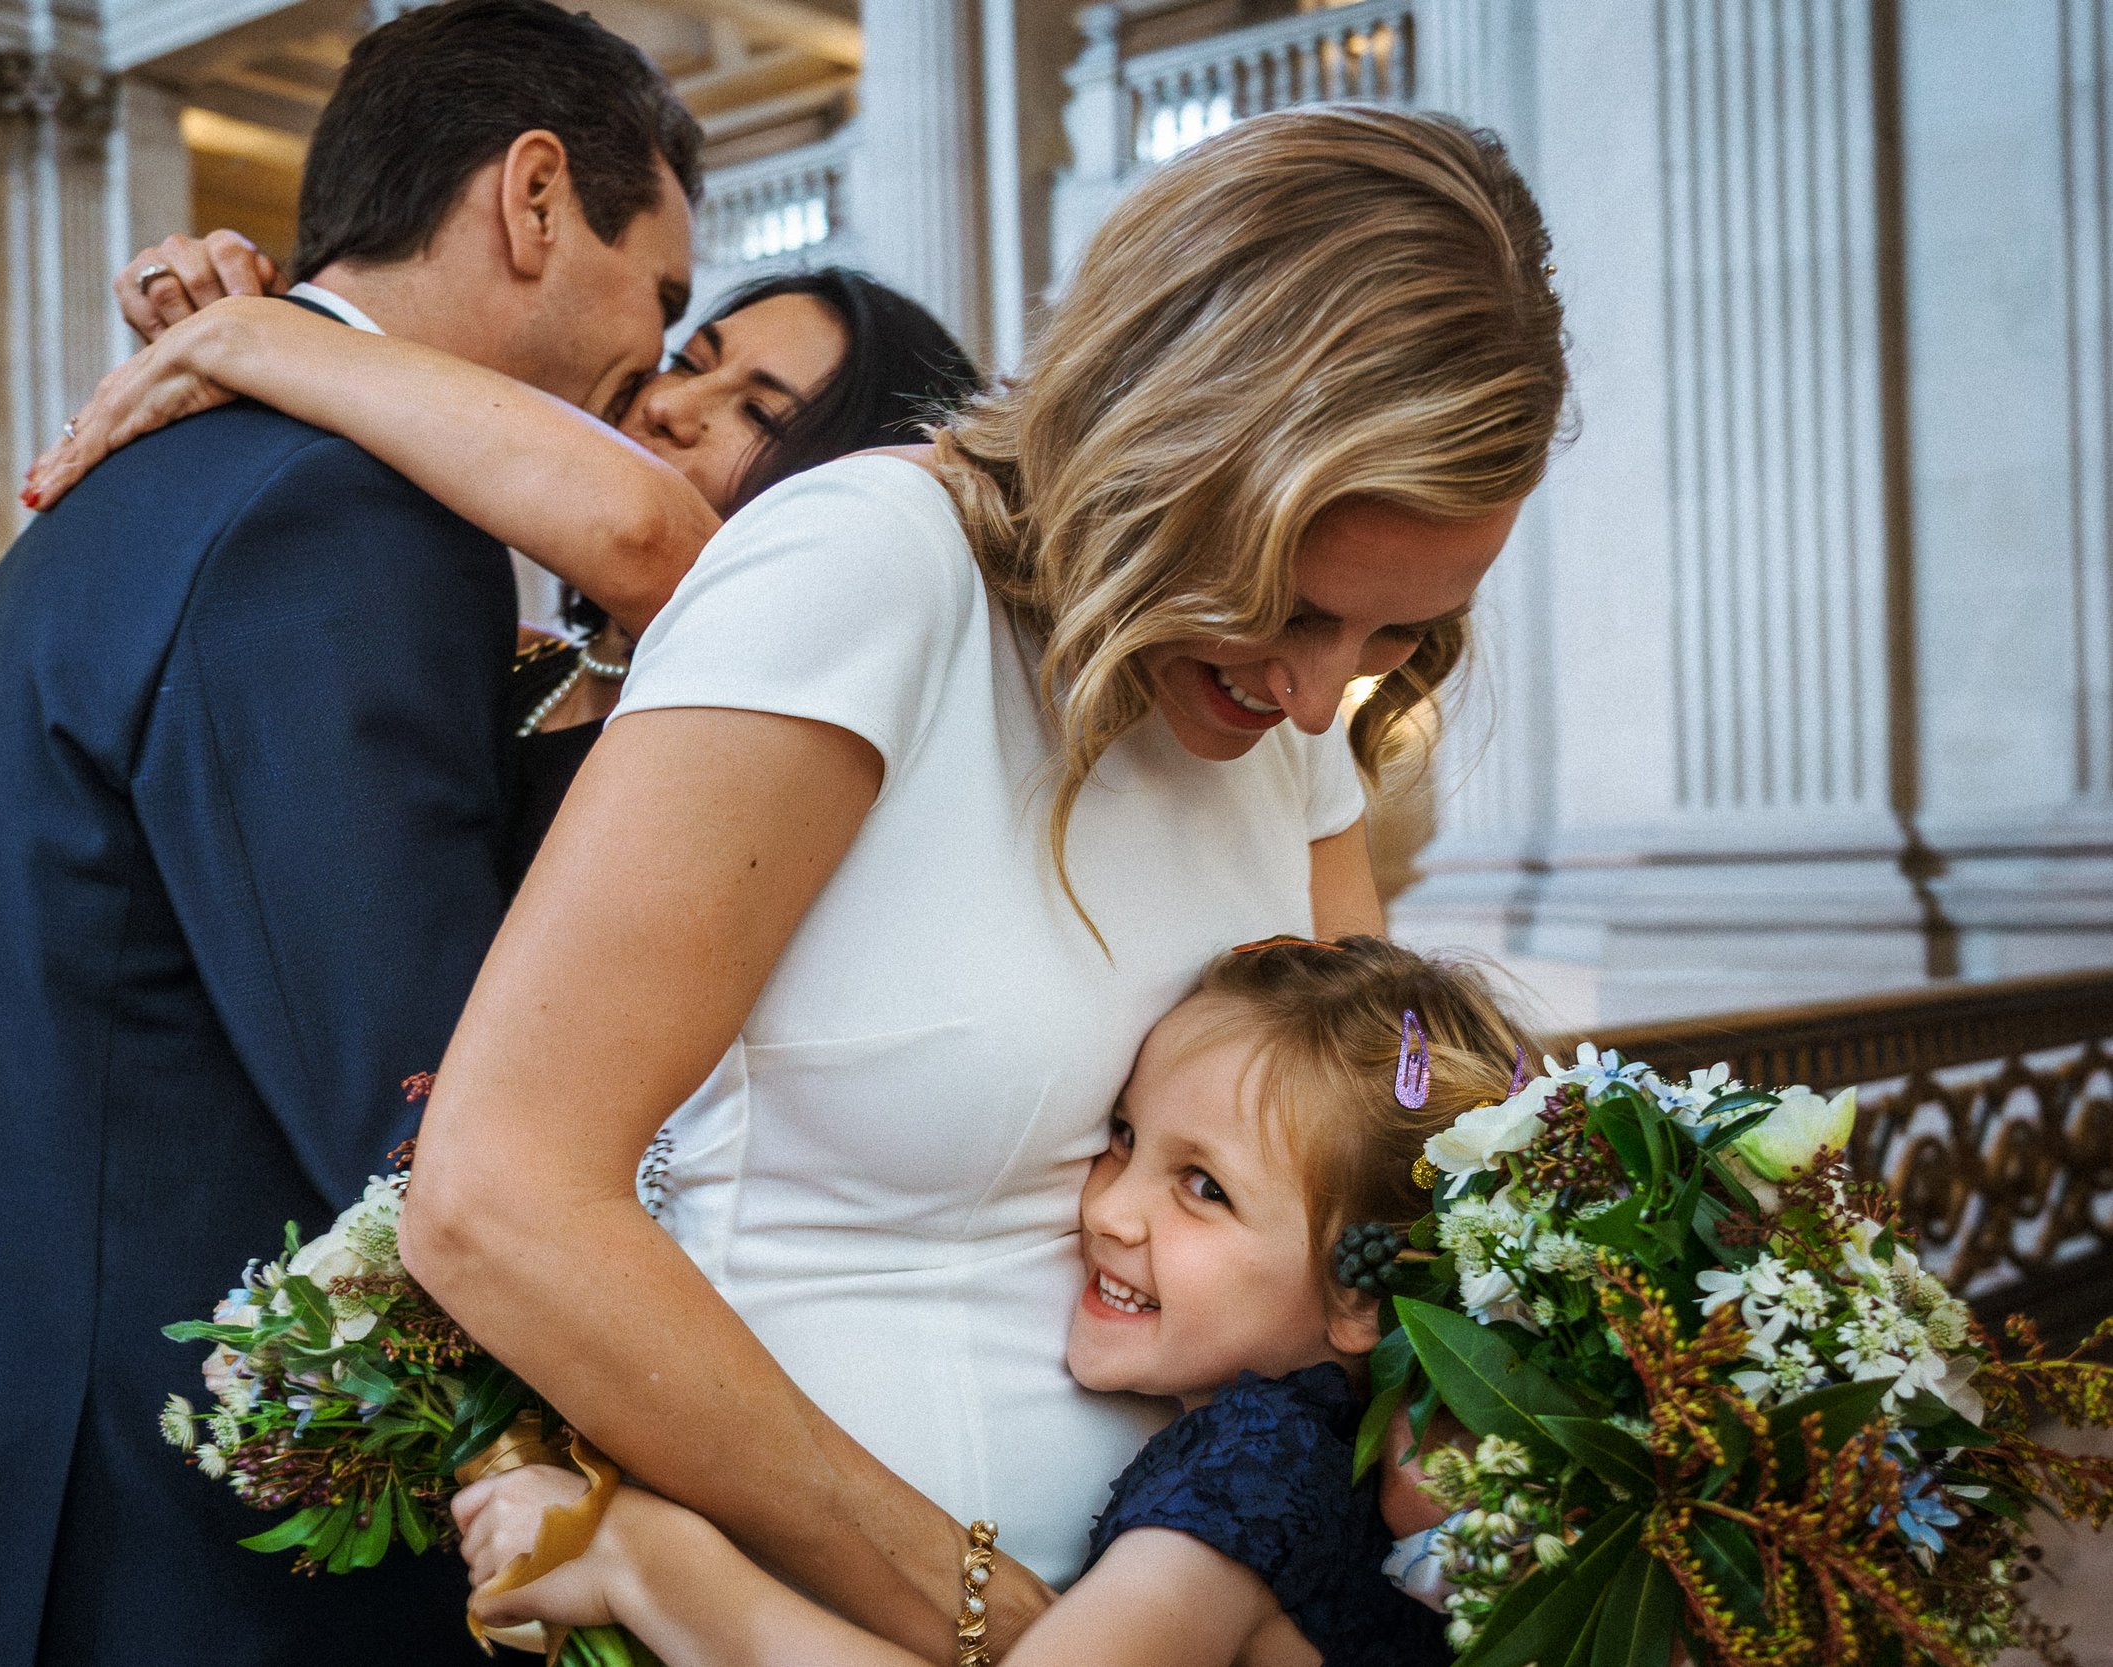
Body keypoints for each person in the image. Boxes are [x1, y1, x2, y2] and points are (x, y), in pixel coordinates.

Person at [399, 104, 1571, 1664]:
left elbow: (1370, 1184)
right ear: (1166, 438)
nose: (1318, 702)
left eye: (1396, 638)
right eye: (1291, 606)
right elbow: (496, 1200)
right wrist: (992, 1614)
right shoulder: (866, 574)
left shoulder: (1290, 714)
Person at [0, 5, 699, 1664]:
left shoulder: (174, 472)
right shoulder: (337, 515)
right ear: (530, 199)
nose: (643, 374)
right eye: (656, 298)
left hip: (28, 1478)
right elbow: (421, 1106)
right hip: (181, 1551)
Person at [452, 936, 1531, 1667]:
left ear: (1359, 1293)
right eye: (1122, 1136)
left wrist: (655, 1564)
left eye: (1203, 1186)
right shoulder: (1317, 1447)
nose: (1113, 1208)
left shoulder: (1264, 1465)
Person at [24, 262, 983, 866]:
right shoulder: (517, 663)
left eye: (761, 414)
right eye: (691, 362)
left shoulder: (801, 678)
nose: (671, 407)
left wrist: (265, 333)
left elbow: (645, 533)